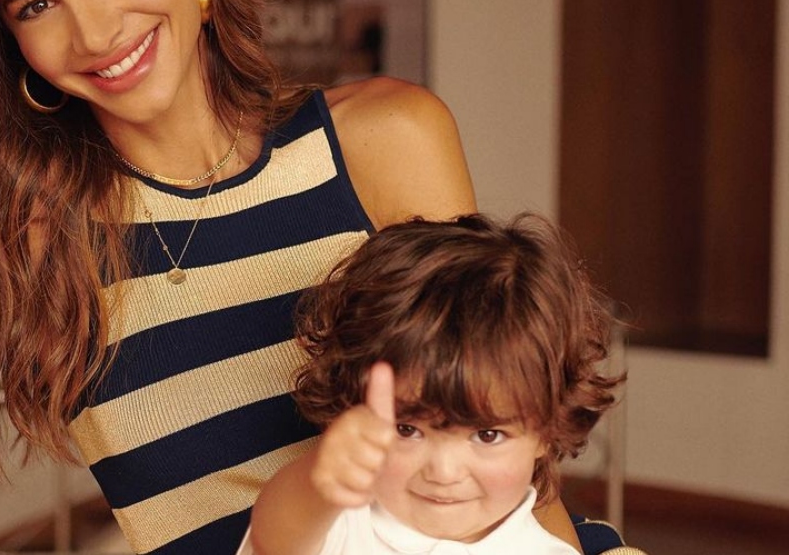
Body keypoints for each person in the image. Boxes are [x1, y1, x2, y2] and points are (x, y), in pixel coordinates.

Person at [0, 0, 587, 553]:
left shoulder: (387, 139)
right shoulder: (16, 238)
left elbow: (506, 440)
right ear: (11, 40)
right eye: (36, 5)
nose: (95, 32)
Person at [242, 214, 629, 555]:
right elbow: (276, 535)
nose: (444, 472)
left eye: (487, 435)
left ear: (547, 430)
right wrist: (318, 481)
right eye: (407, 429)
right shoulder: (340, 520)